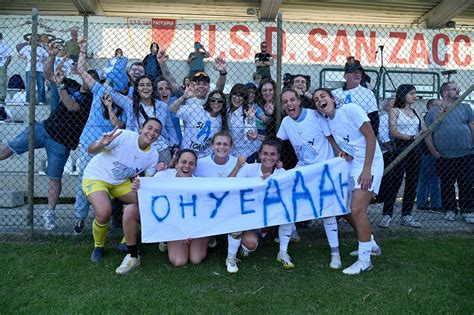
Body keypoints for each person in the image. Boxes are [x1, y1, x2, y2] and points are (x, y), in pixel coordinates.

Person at [0, 47, 95, 230]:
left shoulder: (91, 98)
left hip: (62, 142)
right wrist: (51, 57)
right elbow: (48, 74)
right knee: (6, 151)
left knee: (54, 178)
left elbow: (72, 107)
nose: (89, 81)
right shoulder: (71, 84)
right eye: (87, 76)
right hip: (44, 128)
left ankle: (49, 213)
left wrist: (60, 86)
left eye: (93, 79)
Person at [314, 88, 384, 275]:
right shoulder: (327, 122)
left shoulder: (351, 109)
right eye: (316, 99)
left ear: (333, 99)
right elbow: (333, 140)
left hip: (370, 162)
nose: (320, 100)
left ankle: (364, 261)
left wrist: (367, 169)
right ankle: (372, 245)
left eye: (323, 96)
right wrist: (340, 151)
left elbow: (371, 137)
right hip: (351, 164)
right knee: (344, 207)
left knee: (357, 209)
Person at [277, 88, 343, 269]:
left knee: (328, 211)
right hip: (304, 170)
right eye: (285, 102)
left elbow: (331, 139)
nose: (289, 104)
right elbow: (278, 144)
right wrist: (277, 162)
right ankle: (282, 251)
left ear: (299, 101)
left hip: (324, 169)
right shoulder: (286, 122)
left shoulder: (315, 116)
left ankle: (335, 253)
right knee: (288, 205)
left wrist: (340, 156)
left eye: (292, 100)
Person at [83, 119, 161, 262]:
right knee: (104, 212)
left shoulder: (153, 155)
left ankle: (127, 241)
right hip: (97, 176)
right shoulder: (123, 136)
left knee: (146, 203)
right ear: (141, 129)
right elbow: (90, 150)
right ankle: (98, 246)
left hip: (120, 182)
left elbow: (147, 184)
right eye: (149, 128)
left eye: (156, 131)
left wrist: (142, 182)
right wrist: (101, 144)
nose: (152, 133)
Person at [225, 138, 295, 273]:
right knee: (250, 244)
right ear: (259, 155)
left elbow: (288, 195)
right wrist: (259, 182)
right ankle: (231, 257)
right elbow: (232, 186)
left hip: (266, 218)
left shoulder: (282, 173)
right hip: (248, 217)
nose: (268, 157)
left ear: (278, 156)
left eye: (272, 154)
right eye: (265, 153)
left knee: (288, 212)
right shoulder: (249, 169)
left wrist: (272, 182)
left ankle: (283, 253)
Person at [424, 81, 473, 223]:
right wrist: (433, 150)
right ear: (445, 92)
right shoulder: (434, 112)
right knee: (446, 183)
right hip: (444, 155)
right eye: (454, 89)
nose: (458, 91)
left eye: (458, 89)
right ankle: (450, 210)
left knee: (466, 182)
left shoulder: (466, 107)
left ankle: (468, 210)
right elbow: (427, 133)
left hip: (466, 153)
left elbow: (472, 125)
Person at [378, 85, 425, 228]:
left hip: (415, 150)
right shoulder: (394, 111)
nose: (414, 96)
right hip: (400, 149)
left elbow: (423, 127)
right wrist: (411, 137)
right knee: (395, 182)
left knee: (412, 182)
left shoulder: (417, 111)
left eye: (415, 93)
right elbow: (393, 132)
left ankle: (407, 214)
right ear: (403, 94)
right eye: (411, 93)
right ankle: (387, 214)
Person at [332, 60, 379, 136]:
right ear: (345, 76)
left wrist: (371, 137)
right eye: (353, 72)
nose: (357, 74)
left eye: (359, 72)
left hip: (360, 133)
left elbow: (374, 118)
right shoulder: (335, 93)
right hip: (340, 132)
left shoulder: (368, 93)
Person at [416, 99, 442, 212]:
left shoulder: (427, 118)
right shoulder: (429, 118)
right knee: (434, 179)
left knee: (425, 179)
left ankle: (422, 203)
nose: (440, 108)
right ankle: (436, 204)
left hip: (424, 152)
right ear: (431, 107)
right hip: (428, 152)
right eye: (437, 106)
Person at [227, 83, 260, 157]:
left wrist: (250, 119)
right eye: (235, 94)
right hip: (230, 151)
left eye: (241, 95)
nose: (237, 98)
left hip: (247, 152)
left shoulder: (248, 111)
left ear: (244, 98)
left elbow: (249, 136)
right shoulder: (226, 109)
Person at [19, 38, 48, 104]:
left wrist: (41, 60)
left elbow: (47, 56)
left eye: (37, 40)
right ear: (30, 40)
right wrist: (25, 58)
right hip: (29, 69)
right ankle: (28, 100)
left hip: (39, 69)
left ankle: (41, 100)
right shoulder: (26, 47)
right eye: (33, 40)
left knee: (41, 85)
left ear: (38, 41)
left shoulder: (41, 49)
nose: (35, 41)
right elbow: (19, 55)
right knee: (29, 85)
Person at [50, 43, 74, 112]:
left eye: (64, 50)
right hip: (56, 80)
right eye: (60, 49)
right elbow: (56, 70)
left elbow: (73, 70)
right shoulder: (53, 59)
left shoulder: (69, 60)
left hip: (67, 80)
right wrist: (63, 60)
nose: (62, 51)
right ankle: (53, 114)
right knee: (55, 100)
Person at [0, 32, 13, 104]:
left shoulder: (5, 46)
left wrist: (4, 66)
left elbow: (9, 57)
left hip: (1, 66)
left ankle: (1, 98)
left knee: (1, 83)